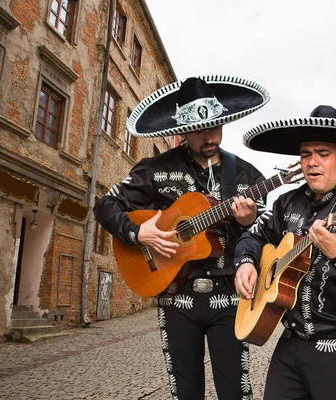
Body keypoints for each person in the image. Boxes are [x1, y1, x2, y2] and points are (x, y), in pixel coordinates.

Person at [94, 76, 270, 400]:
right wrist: (137, 232)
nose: (210, 136)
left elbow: (264, 235)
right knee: (185, 392)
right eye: (200, 129)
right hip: (175, 296)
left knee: (235, 391)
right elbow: (104, 206)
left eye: (216, 127)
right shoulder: (153, 169)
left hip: (229, 297)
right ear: (182, 130)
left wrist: (249, 220)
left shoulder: (245, 174)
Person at [234, 105, 336, 400]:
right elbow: (254, 235)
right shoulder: (287, 203)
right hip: (292, 342)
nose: (312, 162)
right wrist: (246, 264)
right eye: (305, 154)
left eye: (322, 153)